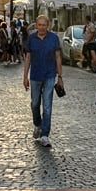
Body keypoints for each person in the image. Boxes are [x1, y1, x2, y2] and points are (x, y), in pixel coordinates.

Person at [23, 14, 63, 147]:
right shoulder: (31, 38)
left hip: (50, 75)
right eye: (39, 25)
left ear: (48, 25)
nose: (41, 27)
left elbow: (58, 57)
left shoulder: (53, 38)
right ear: (35, 25)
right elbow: (28, 57)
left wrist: (60, 77)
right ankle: (37, 124)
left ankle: (45, 134)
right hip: (35, 76)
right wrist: (25, 77)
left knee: (47, 106)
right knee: (35, 104)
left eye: (44, 25)